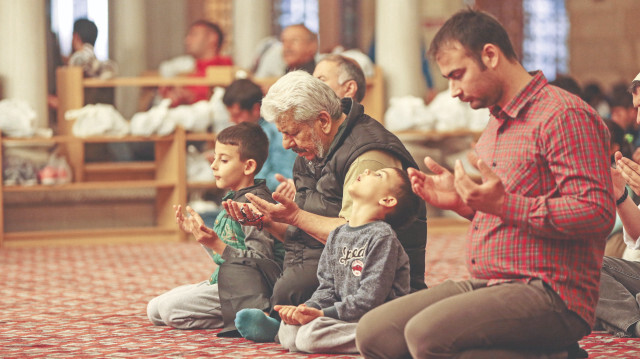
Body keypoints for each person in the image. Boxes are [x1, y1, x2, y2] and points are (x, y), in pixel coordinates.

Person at [356, 9, 614, 359]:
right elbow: (502, 212)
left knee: (426, 336)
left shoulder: (563, 115)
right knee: (376, 333)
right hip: (493, 282)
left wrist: (505, 205)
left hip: (553, 291)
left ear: (490, 55)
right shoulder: (495, 125)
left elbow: (597, 213)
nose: (453, 91)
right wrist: (463, 202)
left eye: (458, 75)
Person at [217, 70, 427, 340]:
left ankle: (276, 322)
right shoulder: (312, 149)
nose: (285, 143)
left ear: (323, 121)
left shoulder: (368, 160)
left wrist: (295, 217)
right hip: (321, 269)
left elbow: (360, 240)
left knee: (292, 310)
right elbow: (304, 237)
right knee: (239, 266)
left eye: (291, 133)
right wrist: (267, 223)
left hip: (364, 281)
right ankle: (274, 319)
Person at [238, 167, 417, 352]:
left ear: (387, 200)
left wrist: (322, 314)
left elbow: (370, 299)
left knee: (309, 336)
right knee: (289, 334)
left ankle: (389, 340)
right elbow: (327, 288)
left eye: (379, 174)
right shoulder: (338, 234)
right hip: (346, 316)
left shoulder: (382, 237)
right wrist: (306, 309)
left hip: (377, 318)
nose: (368, 171)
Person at [146, 122, 283, 330]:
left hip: (250, 290)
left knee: (168, 310)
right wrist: (203, 237)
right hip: (226, 281)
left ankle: (247, 316)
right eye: (216, 157)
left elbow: (261, 265)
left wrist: (216, 244)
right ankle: (236, 314)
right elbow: (225, 257)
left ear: (248, 166)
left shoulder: (253, 206)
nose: (213, 165)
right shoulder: (233, 197)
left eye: (224, 160)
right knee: (154, 309)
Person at [220, 79, 296, 191]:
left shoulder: (277, 133)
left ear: (256, 109)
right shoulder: (249, 133)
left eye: (237, 115)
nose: (232, 120)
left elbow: (282, 179)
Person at [159, 20, 233, 107]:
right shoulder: (189, 71)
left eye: (194, 35)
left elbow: (221, 103)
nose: (187, 40)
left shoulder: (224, 68)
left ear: (212, 38)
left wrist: (193, 97)